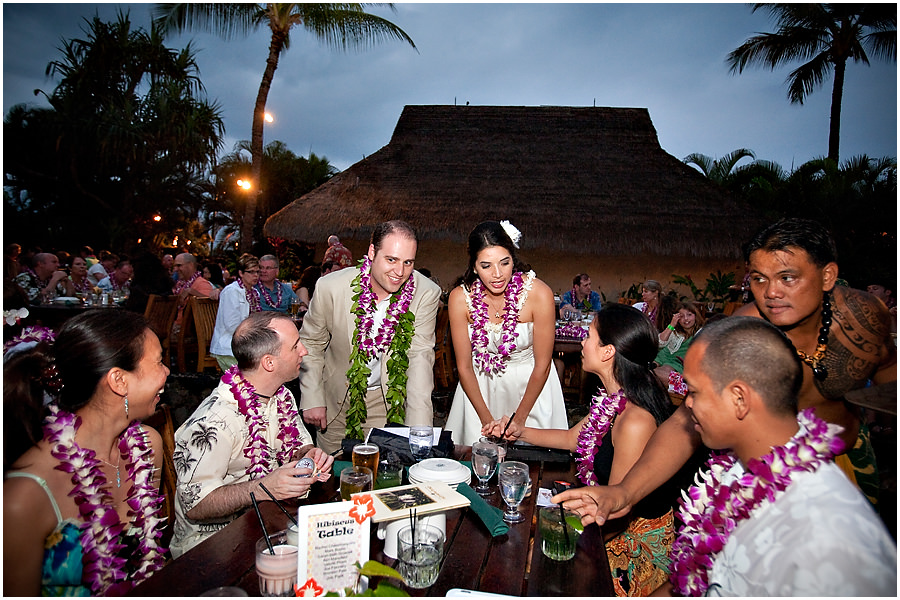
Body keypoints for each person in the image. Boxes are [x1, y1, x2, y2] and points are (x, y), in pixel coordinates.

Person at [554, 218, 897, 523]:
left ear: (827, 276)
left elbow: (889, 385)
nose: (771, 292)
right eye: (759, 279)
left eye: (787, 277)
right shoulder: (740, 329)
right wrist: (625, 492)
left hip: (841, 467)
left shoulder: (863, 321)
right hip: (752, 472)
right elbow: (685, 419)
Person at [660, 317, 896, 596]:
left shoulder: (830, 539)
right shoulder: (735, 468)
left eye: (694, 392)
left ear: (739, 398)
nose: (687, 402)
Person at [485, 303, 676, 596]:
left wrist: (561, 536)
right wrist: (519, 430)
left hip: (631, 545)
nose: (582, 343)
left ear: (608, 351)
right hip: (604, 523)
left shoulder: (635, 420)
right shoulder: (615, 399)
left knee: (526, 557)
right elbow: (574, 438)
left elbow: (617, 511)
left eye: (588, 336)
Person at [3, 310, 169, 595]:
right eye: (158, 361)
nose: (167, 371)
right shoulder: (24, 495)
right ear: (119, 381)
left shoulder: (147, 447)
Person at [170, 311, 332, 557]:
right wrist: (263, 488)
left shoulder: (281, 395)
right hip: (213, 546)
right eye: (296, 346)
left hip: (268, 521)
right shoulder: (215, 421)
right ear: (269, 363)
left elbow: (297, 445)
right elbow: (194, 504)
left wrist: (311, 455)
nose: (305, 351)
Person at [298, 220, 442, 454]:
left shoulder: (425, 292)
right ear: (372, 252)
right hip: (334, 401)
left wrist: (419, 430)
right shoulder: (330, 287)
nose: (400, 272)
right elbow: (311, 343)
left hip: (384, 401)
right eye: (391, 259)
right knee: (331, 476)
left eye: (408, 262)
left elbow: (420, 358)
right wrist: (312, 397)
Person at [445, 220, 567, 445]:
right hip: (479, 394)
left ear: (514, 259)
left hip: (531, 390)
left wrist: (518, 422)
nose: (497, 274)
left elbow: (543, 364)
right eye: (486, 265)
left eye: (504, 262)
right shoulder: (459, 299)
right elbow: (463, 366)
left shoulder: (539, 294)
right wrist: (486, 421)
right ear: (473, 266)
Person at [209, 254, 261, 370]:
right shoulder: (231, 291)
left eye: (257, 272)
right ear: (241, 273)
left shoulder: (254, 292)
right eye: (251, 272)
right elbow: (232, 326)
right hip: (228, 348)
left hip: (246, 345)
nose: (256, 275)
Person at [653, 300, 705, 378]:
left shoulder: (701, 333)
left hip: (676, 363)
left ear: (695, 316)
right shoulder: (675, 332)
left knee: (660, 371)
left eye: (689, 315)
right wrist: (671, 325)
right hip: (661, 357)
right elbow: (660, 343)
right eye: (681, 316)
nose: (686, 319)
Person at [171, 253, 214, 331]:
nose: (176, 269)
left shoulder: (202, 283)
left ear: (190, 265)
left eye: (179, 265)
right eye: (175, 266)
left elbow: (210, 306)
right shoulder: (180, 283)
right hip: (174, 324)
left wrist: (191, 291)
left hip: (185, 331)